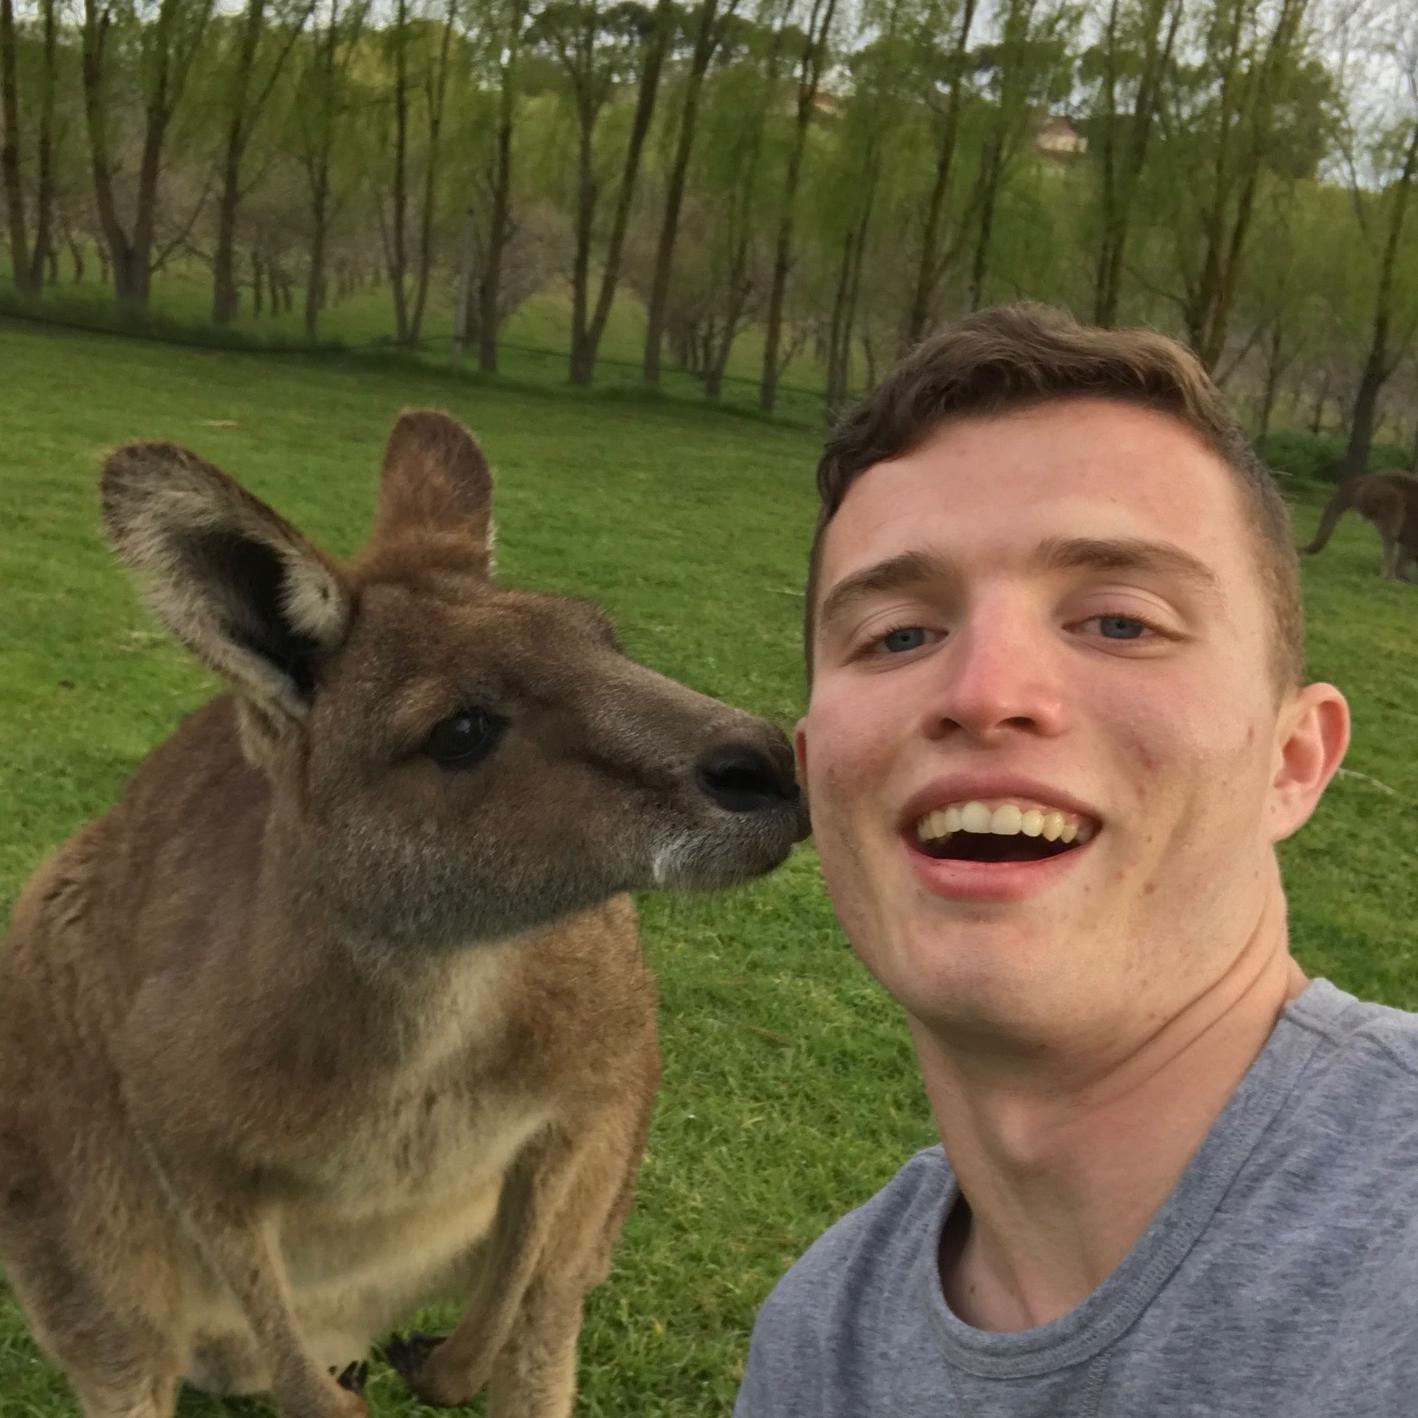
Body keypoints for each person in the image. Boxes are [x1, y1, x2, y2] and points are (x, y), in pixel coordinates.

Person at [733, 304, 1418, 1417]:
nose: (984, 691)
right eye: (899, 634)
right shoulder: (819, 1344)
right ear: (815, 776)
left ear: (1293, 760)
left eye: (1119, 621)